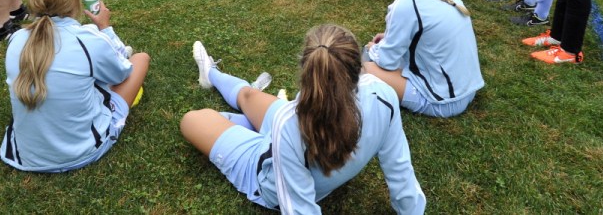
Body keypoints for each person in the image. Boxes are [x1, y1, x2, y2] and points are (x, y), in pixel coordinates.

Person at [180, 25, 426, 213]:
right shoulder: (383, 93)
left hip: (265, 174)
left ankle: (238, 125)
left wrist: (280, 137)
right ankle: (211, 73)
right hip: (291, 136)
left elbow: (298, 208)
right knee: (248, 94)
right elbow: (400, 171)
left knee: (193, 119)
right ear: (359, 66)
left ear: (307, 71)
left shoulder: (289, 123)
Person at [0, 0, 150, 172]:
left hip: (23, 155)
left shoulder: (16, 39)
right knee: (140, 59)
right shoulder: (87, 38)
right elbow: (122, 73)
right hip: (83, 150)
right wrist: (106, 29)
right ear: (76, 2)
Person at [363, 0, 483, 117]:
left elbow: (386, 61)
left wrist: (372, 49)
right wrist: (389, 39)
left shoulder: (405, 5)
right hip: (468, 89)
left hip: (445, 101)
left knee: (364, 67)